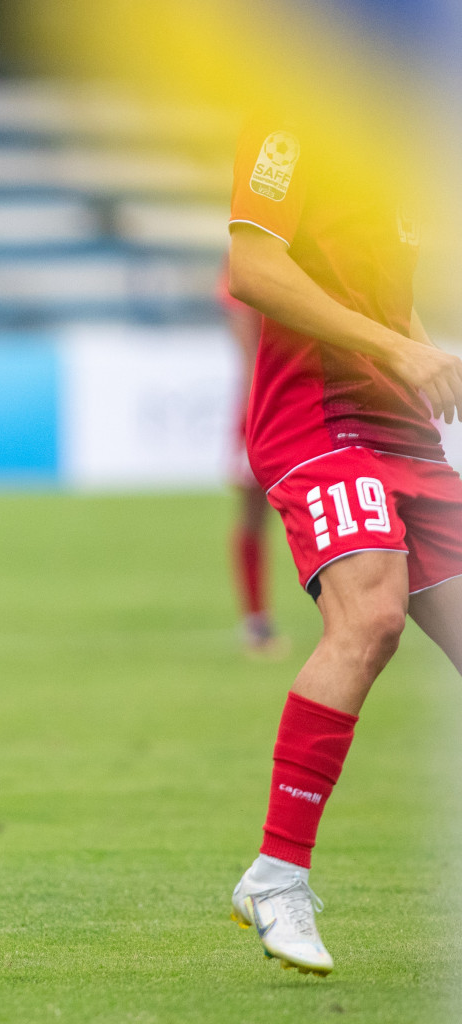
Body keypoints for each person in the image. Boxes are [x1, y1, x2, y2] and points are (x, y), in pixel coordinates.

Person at [224, 112, 462, 975]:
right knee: (371, 618)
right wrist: (398, 347)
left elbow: (377, 296)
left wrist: (423, 347)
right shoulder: (289, 111)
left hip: (405, 431)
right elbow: (251, 267)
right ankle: (277, 875)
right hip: (319, 419)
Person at [218, 265, 288, 657]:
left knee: (262, 511)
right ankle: (256, 621)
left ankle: (257, 622)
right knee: (255, 508)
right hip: (268, 401)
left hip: (276, 398)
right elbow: (245, 338)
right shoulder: (245, 253)